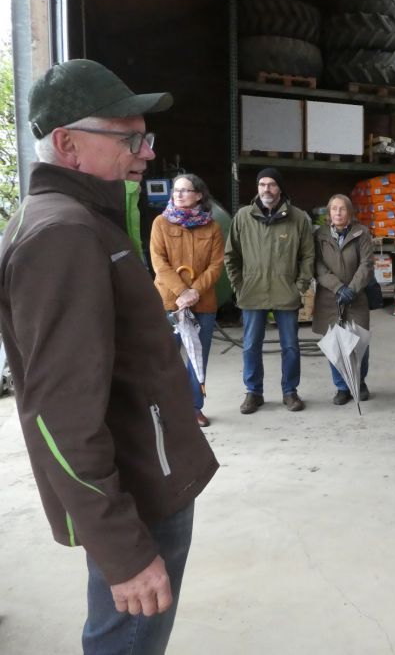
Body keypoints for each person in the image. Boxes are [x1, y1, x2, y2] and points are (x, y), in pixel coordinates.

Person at [0, 59, 218, 654]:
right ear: (68, 144)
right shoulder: (62, 235)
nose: (146, 153)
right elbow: (59, 415)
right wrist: (122, 549)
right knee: (125, 642)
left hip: (147, 474)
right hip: (138, 494)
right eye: (130, 138)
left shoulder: (82, 220)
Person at [224, 167, 314, 414]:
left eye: (272, 184)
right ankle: (254, 392)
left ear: (280, 188)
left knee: (291, 346)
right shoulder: (243, 217)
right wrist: (239, 285)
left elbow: (308, 256)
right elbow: (230, 255)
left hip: (286, 292)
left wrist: (300, 287)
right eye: (262, 184)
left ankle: (290, 392)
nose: (266, 189)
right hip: (252, 293)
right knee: (251, 345)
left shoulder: (297, 218)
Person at [149, 173, 224, 427]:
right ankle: (164, 408)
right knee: (164, 358)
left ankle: (194, 408)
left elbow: (216, 266)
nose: (178, 194)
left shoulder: (212, 227)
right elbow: (159, 263)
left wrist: (194, 293)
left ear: (199, 195)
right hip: (169, 303)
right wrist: (182, 292)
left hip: (202, 305)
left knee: (197, 359)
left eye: (185, 190)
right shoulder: (160, 223)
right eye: (176, 190)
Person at [313, 194, 375, 404]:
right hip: (329, 297)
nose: (338, 213)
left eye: (342, 209)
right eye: (334, 209)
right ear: (329, 213)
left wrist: (352, 289)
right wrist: (338, 288)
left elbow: (366, 264)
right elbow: (318, 266)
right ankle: (341, 387)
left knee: (359, 342)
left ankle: (359, 381)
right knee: (334, 344)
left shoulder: (361, 233)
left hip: (355, 297)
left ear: (349, 212)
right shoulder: (320, 235)